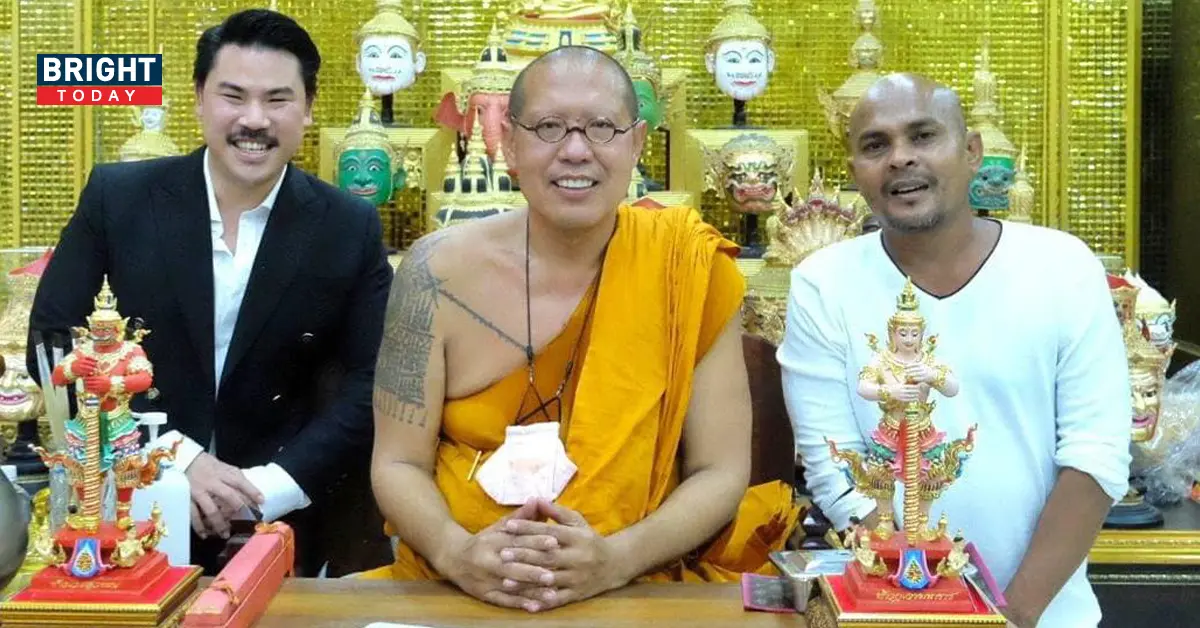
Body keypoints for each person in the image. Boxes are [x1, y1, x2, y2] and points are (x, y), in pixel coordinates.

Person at [364, 46, 800, 612]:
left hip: (636, 583)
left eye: (601, 128)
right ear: (510, 144)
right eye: (549, 127)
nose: (575, 151)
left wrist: (615, 560)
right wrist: (457, 553)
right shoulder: (433, 273)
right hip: (458, 587)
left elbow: (719, 471)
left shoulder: (685, 267)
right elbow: (397, 463)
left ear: (636, 143)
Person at [28, 9, 393, 575]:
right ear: (199, 98)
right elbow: (53, 342)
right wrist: (172, 455)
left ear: (308, 108)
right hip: (127, 506)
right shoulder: (118, 199)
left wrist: (270, 486)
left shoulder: (347, 225)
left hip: (287, 517)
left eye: (277, 99)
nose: (254, 120)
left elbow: (374, 378)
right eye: (233, 96)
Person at [777, 74, 1131, 628]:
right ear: (855, 173)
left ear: (972, 152)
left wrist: (1012, 617)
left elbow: (1096, 456)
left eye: (923, 136)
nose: (900, 158)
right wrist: (919, 601)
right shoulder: (823, 284)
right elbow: (832, 462)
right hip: (891, 612)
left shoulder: (1062, 268)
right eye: (876, 145)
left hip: (1045, 616)